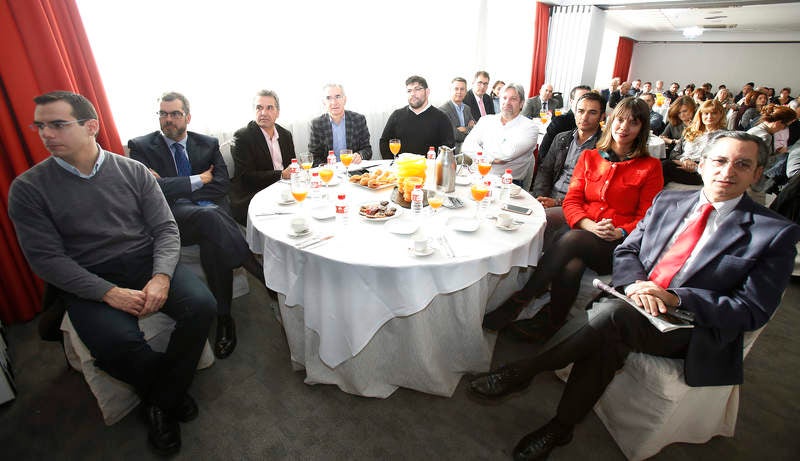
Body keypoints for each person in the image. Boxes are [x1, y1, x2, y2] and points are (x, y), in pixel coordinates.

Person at [469, 131, 800, 461]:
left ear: (757, 174)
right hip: (633, 303)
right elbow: (628, 250)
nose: (727, 172)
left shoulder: (772, 232)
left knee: (613, 317)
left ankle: (524, 372)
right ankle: (560, 427)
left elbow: (752, 310)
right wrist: (634, 285)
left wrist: (676, 298)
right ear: (701, 165)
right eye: (720, 160)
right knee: (612, 332)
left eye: (742, 164)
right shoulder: (670, 201)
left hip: (692, 326)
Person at [8, 91, 217, 455]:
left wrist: (162, 276)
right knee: (116, 342)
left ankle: (159, 400)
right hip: (86, 275)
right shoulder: (28, 189)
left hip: (142, 260)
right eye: (39, 126)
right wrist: (107, 292)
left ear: (91, 126)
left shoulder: (132, 171)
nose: (45, 134)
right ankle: (168, 399)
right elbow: (47, 261)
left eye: (57, 124)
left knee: (201, 305)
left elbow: (166, 230)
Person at [482, 97, 663, 342]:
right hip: (584, 233)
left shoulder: (650, 167)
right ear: (611, 121)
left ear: (642, 128)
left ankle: (520, 300)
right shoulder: (590, 157)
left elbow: (648, 216)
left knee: (571, 238)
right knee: (572, 262)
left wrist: (620, 231)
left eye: (633, 123)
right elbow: (572, 201)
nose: (624, 127)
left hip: (618, 245)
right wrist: (588, 224)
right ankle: (552, 325)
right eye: (620, 120)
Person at [128, 91, 266, 360]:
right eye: (163, 114)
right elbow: (151, 190)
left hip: (209, 213)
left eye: (175, 114)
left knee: (212, 234)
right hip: (174, 220)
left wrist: (177, 187)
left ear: (187, 117)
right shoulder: (142, 147)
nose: (168, 119)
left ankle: (224, 318)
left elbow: (221, 184)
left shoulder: (208, 143)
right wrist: (198, 180)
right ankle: (260, 272)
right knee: (209, 217)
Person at [532, 92, 605, 248]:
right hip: (549, 196)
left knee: (541, 221)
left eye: (592, 112)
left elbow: (595, 193)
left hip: (577, 205)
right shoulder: (562, 138)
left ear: (602, 116)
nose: (584, 117)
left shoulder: (604, 148)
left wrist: (557, 202)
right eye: (580, 111)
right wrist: (540, 197)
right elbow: (545, 171)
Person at [229, 90, 296, 225]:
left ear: (278, 112)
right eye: (259, 108)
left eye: (269, 108)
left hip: (284, 190)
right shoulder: (242, 136)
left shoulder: (285, 135)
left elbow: (291, 166)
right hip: (255, 193)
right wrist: (281, 175)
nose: (263, 113)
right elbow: (246, 177)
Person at [461, 83, 538, 184]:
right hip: (478, 176)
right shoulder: (486, 120)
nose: (507, 102)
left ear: (521, 103)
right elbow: (467, 146)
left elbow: (506, 154)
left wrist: (481, 154)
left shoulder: (530, 127)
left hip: (508, 183)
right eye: (504, 98)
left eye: (513, 99)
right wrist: (492, 159)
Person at [379, 75, 454, 158]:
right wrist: (392, 164)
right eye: (409, 91)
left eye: (417, 89)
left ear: (427, 92)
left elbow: (448, 147)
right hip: (401, 168)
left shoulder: (441, 117)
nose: (412, 94)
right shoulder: (397, 115)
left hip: (430, 168)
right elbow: (384, 142)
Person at [663, 99, 726, 186]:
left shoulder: (725, 136)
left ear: (721, 115)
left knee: (665, 166)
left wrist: (696, 168)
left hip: (703, 172)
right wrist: (685, 160)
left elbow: (722, 162)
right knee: (658, 165)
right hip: (683, 163)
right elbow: (674, 153)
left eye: (714, 113)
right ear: (700, 115)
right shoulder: (691, 130)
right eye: (706, 113)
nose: (709, 117)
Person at [308, 83, 371, 165]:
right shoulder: (317, 124)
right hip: (329, 173)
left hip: (353, 169)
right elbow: (313, 156)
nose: (334, 102)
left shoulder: (358, 119)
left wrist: (360, 155)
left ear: (344, 99)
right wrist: (327, 167)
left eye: (338, 97)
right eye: (328, 98)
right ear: (324, 102)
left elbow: (367, 150)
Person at [536, 85, 592, 166]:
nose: (585, 103)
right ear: (571, 101)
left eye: (588, 99)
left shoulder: (592, 124)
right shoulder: (560, 122)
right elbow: (544, 153)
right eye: (581, 99)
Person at [438, 77, 476, 155]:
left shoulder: (467, 108)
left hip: (469, 151)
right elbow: (454, 135)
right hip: (452, 153)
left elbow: (476, 130)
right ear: (451, 91)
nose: (459, 92)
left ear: (466, 92)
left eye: (462, 89)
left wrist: (465, 129)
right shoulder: (443, 110)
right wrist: (469, 129)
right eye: (456, 89)